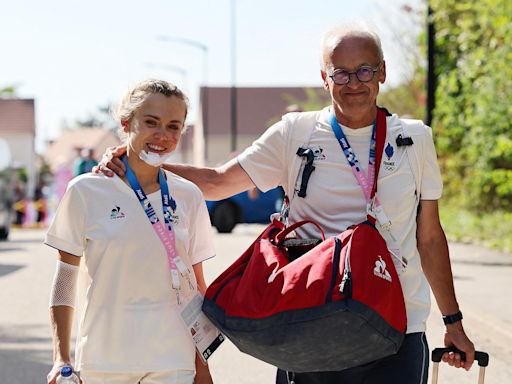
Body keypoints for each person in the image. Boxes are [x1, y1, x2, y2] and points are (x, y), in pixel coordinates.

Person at [98, 23, 475, 383]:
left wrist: (452, 321)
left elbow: (429, 238)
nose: (353, 83)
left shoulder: (415, 139)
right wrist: (136, 164)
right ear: (324, 78)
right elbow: (217, 182)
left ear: (382, 72)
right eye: (340, 73)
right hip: (310, 321)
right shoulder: (296, 133)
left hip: (398, 324)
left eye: (364, 71)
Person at [46, 79, 215, 384]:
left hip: (172, 359)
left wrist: (201, 362)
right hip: (105, 359)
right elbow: (65, 280)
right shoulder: (86, 191)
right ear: (127, 123)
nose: (162, 135)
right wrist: (61, 357)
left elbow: (196, 285)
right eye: (151, 122)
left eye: (173, 126)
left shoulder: (188, 196)